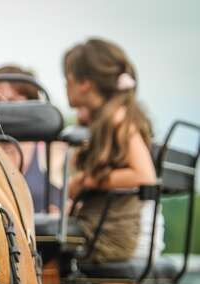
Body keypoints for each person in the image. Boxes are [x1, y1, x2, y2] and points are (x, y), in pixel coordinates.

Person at [64, 38, 164, 263]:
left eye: (67, 78)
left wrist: (87, 180)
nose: (65, 86)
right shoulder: (106, 120)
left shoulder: (119, 119)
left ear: (84, 84)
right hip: (106, 228)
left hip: (113, 236)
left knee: (39, 241)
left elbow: (143, 175)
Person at [0, 65, 64, 213]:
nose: (3, 109)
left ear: (32, 103)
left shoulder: (51, 150)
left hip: (42, 235)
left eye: (12, 101)